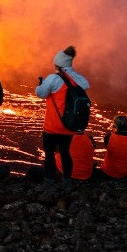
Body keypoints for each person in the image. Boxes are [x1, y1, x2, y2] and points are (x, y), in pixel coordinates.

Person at [35, 45, 90, 189]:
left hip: (53, 126)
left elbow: (40, 93)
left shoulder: (54, 79)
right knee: (65, 152)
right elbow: (86, 85)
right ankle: (67, 180)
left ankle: (49, 181)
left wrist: (40, 84)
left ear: (58, 64)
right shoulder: (78, 79)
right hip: (69, 125)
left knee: (49, 154)